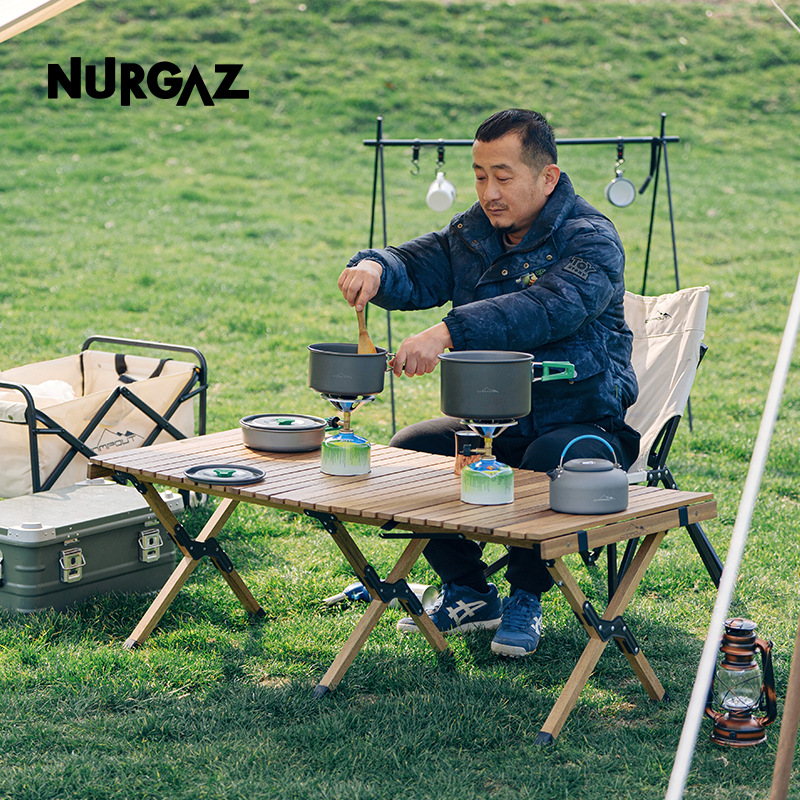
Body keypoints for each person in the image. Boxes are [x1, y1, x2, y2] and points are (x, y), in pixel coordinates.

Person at [337, 108, 640, 658]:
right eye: (479, 176)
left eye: (503, 176)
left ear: (547, 177)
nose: (489, 192)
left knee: (543, 462)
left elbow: (545, 308)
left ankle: (527, 595)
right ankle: (470, 591)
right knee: (411, 448)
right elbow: (417, 266)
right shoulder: (473, 231)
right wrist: (375, 267)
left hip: (584, 423)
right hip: (493, 420)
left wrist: (449, 332)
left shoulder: (592, 239)